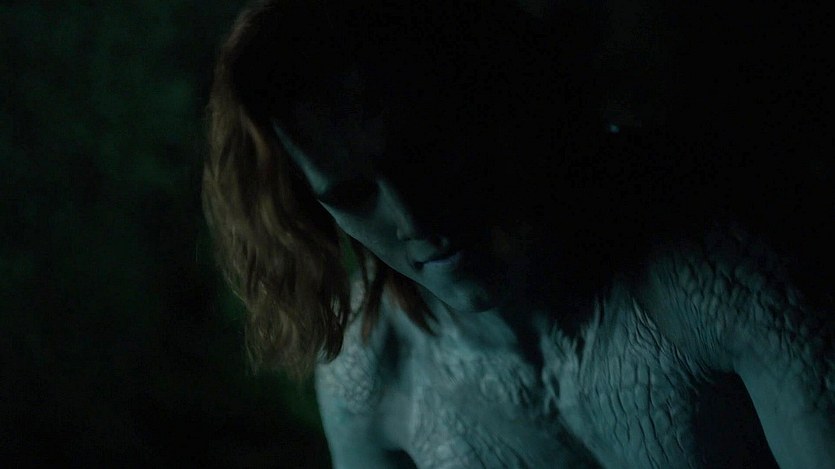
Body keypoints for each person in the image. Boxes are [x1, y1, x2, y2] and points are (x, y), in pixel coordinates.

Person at [202, 0, 834, 467]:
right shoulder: (371, 373)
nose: (415, 220)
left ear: (483, 96)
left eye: (423, 155)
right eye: (353, 196)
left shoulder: (715, 261)